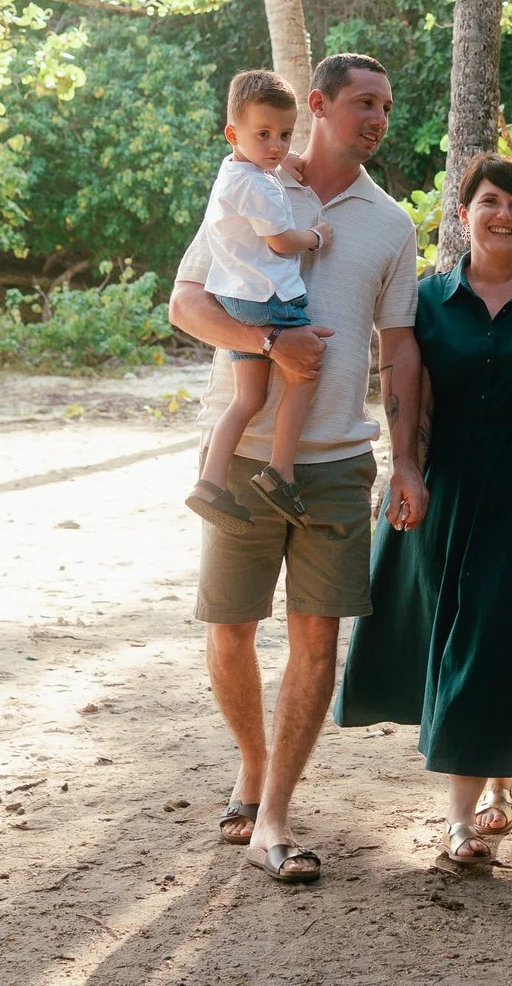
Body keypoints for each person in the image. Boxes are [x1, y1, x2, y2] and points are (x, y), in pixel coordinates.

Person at [166, 54, 423, 885]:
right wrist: (272, 342)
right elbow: (188, 305)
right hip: (242, 458)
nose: (377, 119)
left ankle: (275, 811)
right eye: (362, 104)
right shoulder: (246, 183)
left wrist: (407, 457)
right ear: (318, 105)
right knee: (230, 630)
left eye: (386, 106)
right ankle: (252, 761)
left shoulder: (389, 224)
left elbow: (401, 348)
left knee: (319, 644)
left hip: (340, 463)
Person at [336, 155, 512, 870]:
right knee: (464, 635)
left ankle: (488, 792)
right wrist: (404, 471)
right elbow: (409, 391)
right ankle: (463, 819)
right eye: (490, 202)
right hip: (452, 485)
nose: (504, 216)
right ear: (464, 213)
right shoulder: (428, 300)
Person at [188, 69, 333, 532]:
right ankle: (280, 472)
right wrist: (315, 237)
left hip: (236, 297)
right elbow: (279, 241)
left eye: (286, 135)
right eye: (264, 135)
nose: (276, 145)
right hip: (270, 298)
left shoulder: (235, 169)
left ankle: (210, 482)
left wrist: (279, 161)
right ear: (234, 133)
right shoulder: (257, 183)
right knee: (306, 371)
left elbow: (262, 168)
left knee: (248, 397)